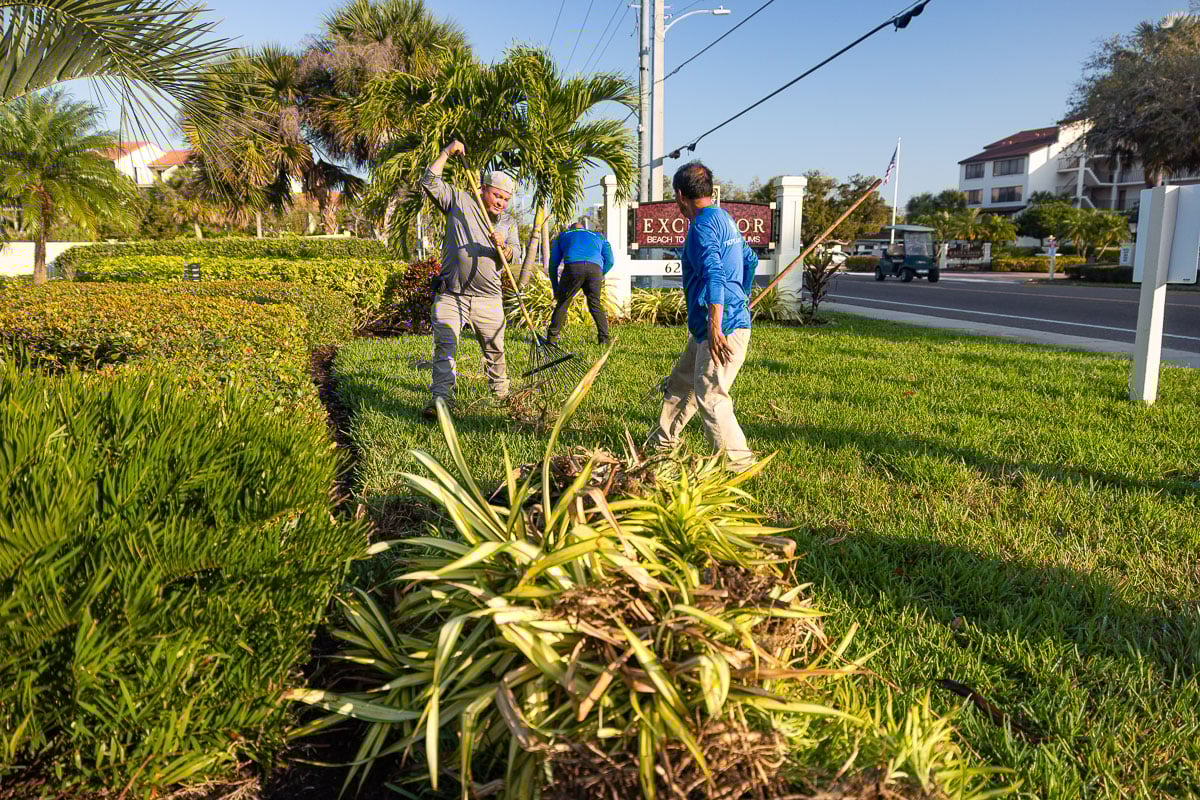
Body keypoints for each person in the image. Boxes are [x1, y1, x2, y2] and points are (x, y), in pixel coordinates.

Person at [645, 160, 758, 472]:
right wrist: (743, 295)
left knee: (711, 396)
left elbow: (714, 275)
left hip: (719, 329)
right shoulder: (725, 219)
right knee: (680, 385)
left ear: (680, 196)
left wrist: (715, 324)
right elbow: (750, 259)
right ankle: (661, 447)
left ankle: (738, 467)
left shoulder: (701, 228)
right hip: (716, 325)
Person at [419, 139, 522, 420]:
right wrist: (446, 153)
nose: (500, 203)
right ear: (483, 190)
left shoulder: (508, 222)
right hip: (452, 294)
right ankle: (441, 400)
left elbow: (516, 253)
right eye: (496, 196)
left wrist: (505, 246)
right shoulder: (460, 201)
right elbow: (429, 181)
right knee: (446, 347)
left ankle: (502, 398)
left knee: (495, 350)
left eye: (505, 199)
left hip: (488, 299)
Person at [546, 218, 614, 345]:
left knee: (563, 302)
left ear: (571, 229)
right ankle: (604, 339)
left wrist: (556, 289)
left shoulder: (562, 236)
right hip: (595, 269)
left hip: (573, 267)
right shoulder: (599, 236)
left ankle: (552, 339)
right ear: (584, 229)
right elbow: (610, 261)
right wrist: (600, 274)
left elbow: (553, 265)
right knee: (595, 303)